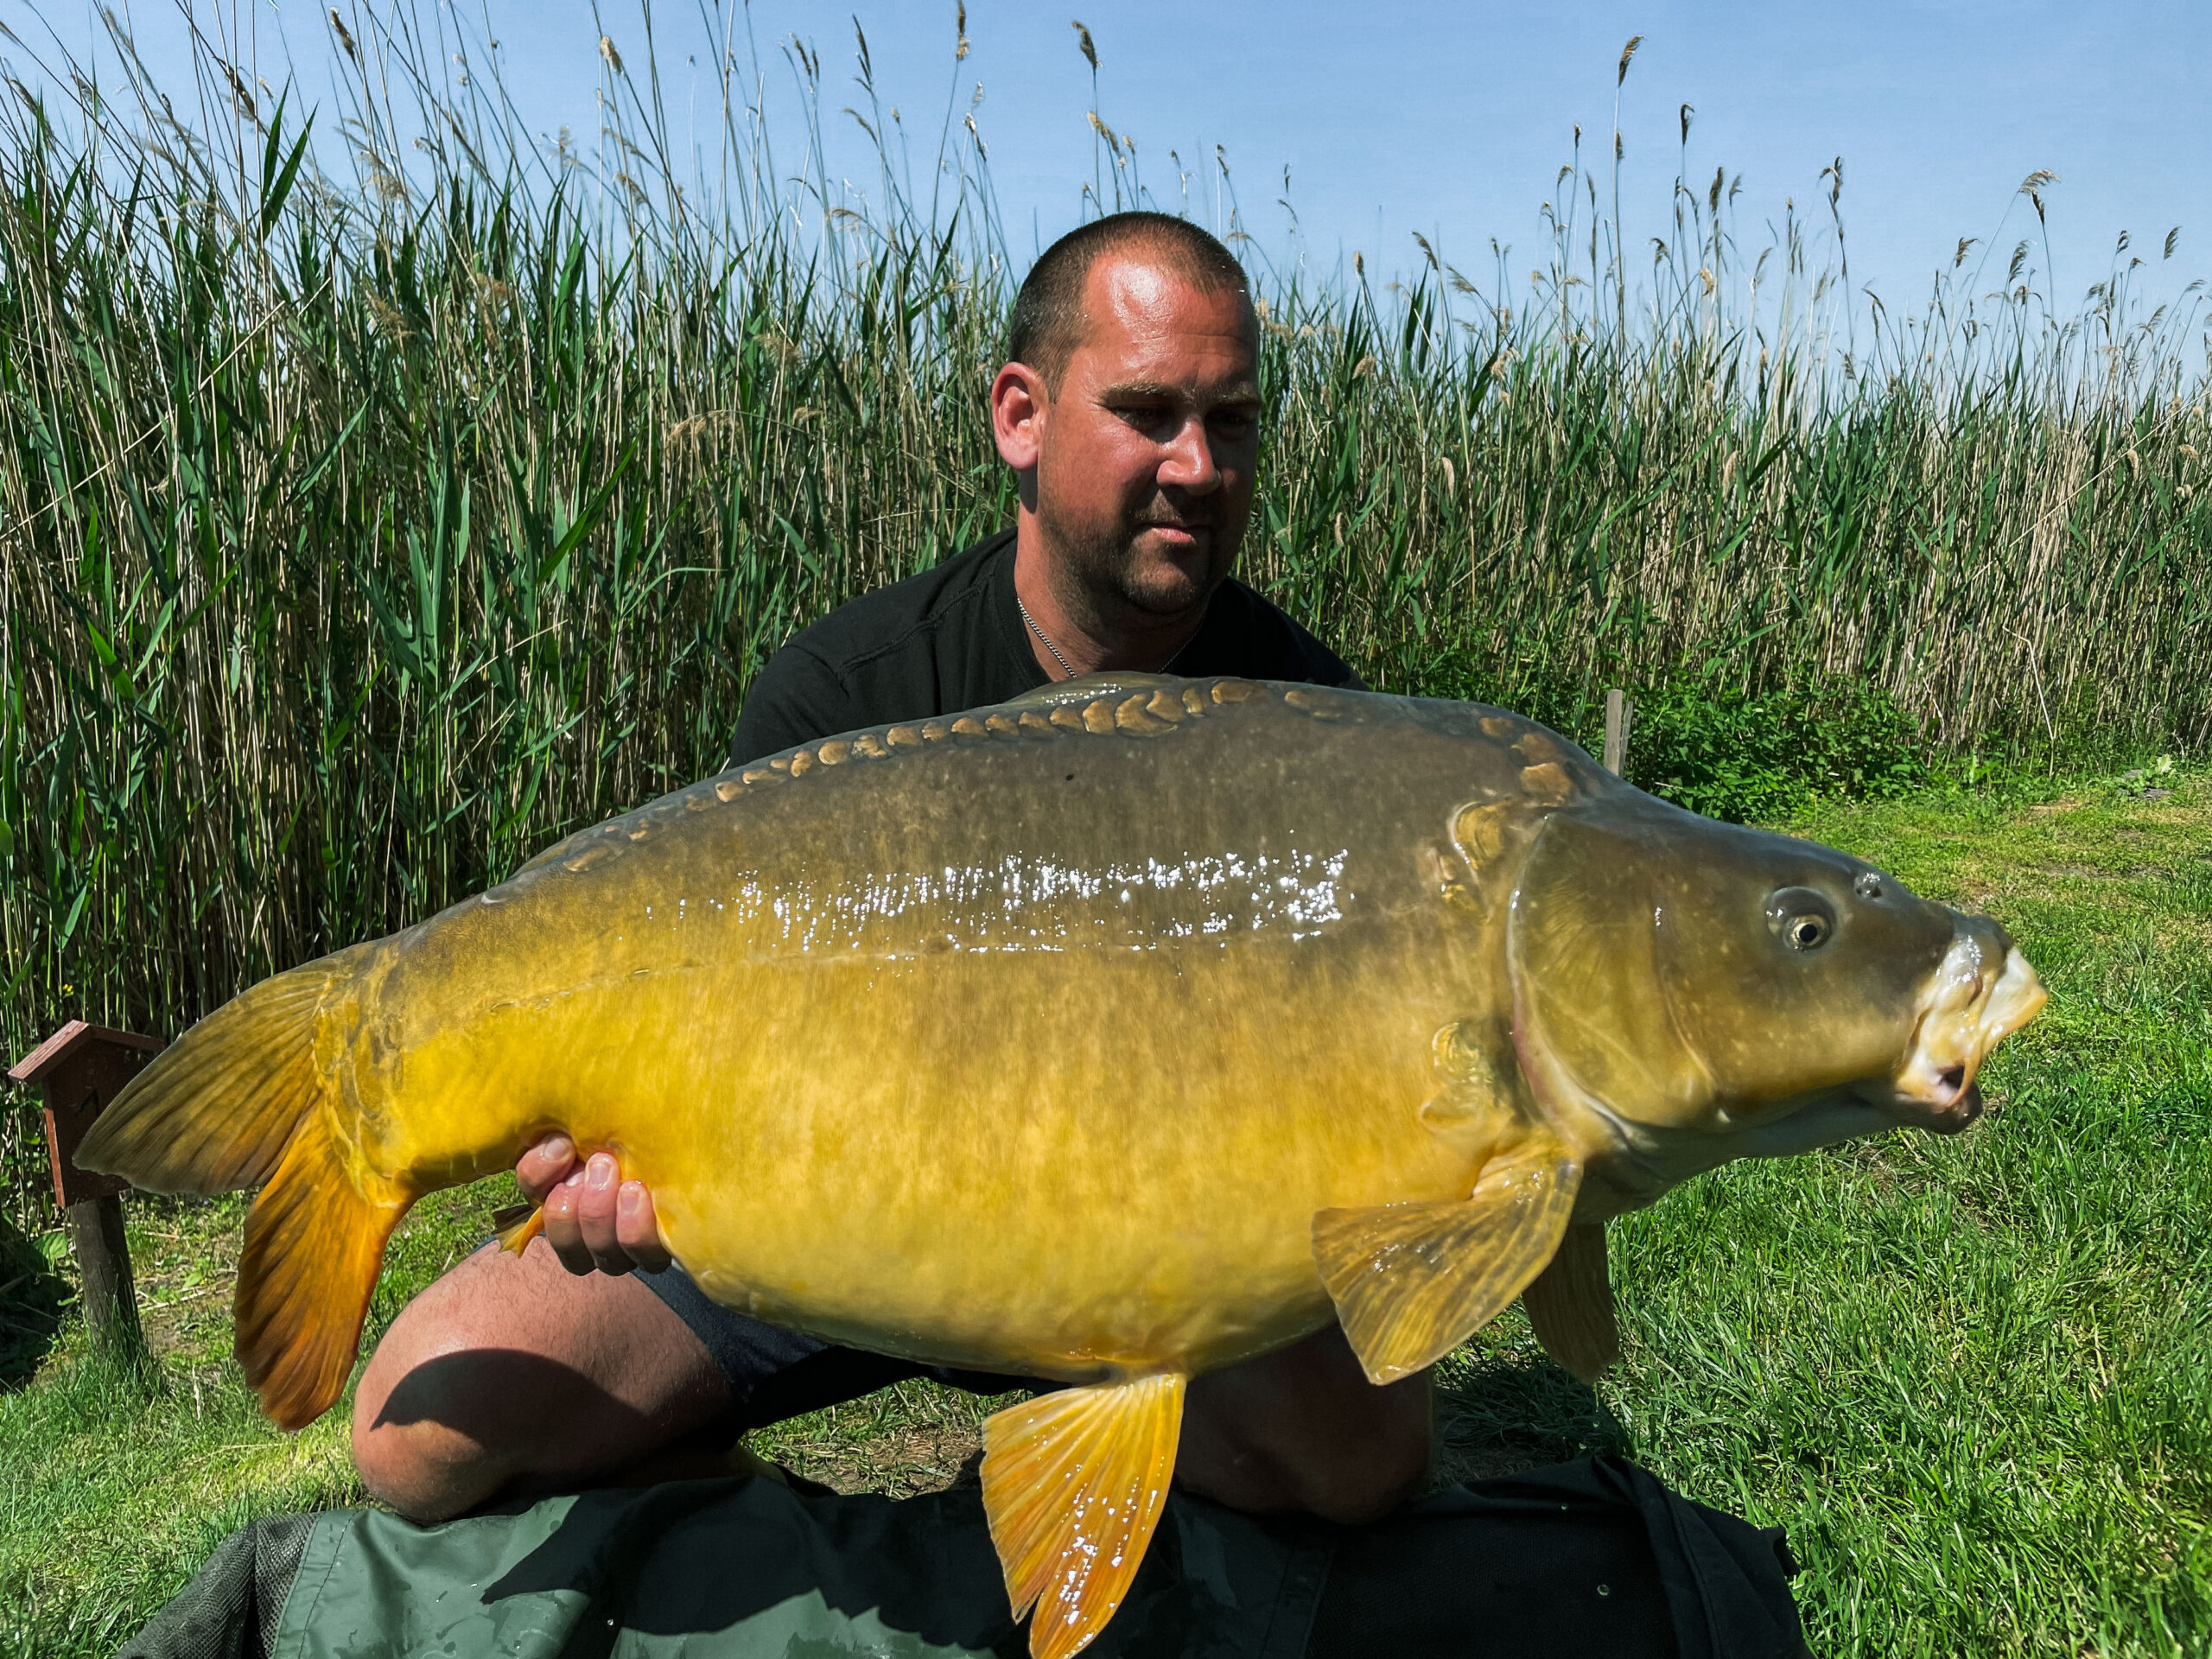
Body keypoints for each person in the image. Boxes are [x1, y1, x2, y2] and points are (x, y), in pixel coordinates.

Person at [352, 212, 1434, 1530]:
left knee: (1367, 1464)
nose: (1200, 466)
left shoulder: (1316, 727)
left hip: (1166, 1261)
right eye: (1149, 412)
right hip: (829, 1248)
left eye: (1235, 420)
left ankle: (1040, 1466)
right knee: (415, 1432)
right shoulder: (847, 702)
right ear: (1020, 417)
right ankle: (748, 1502)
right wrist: (613, 1178)